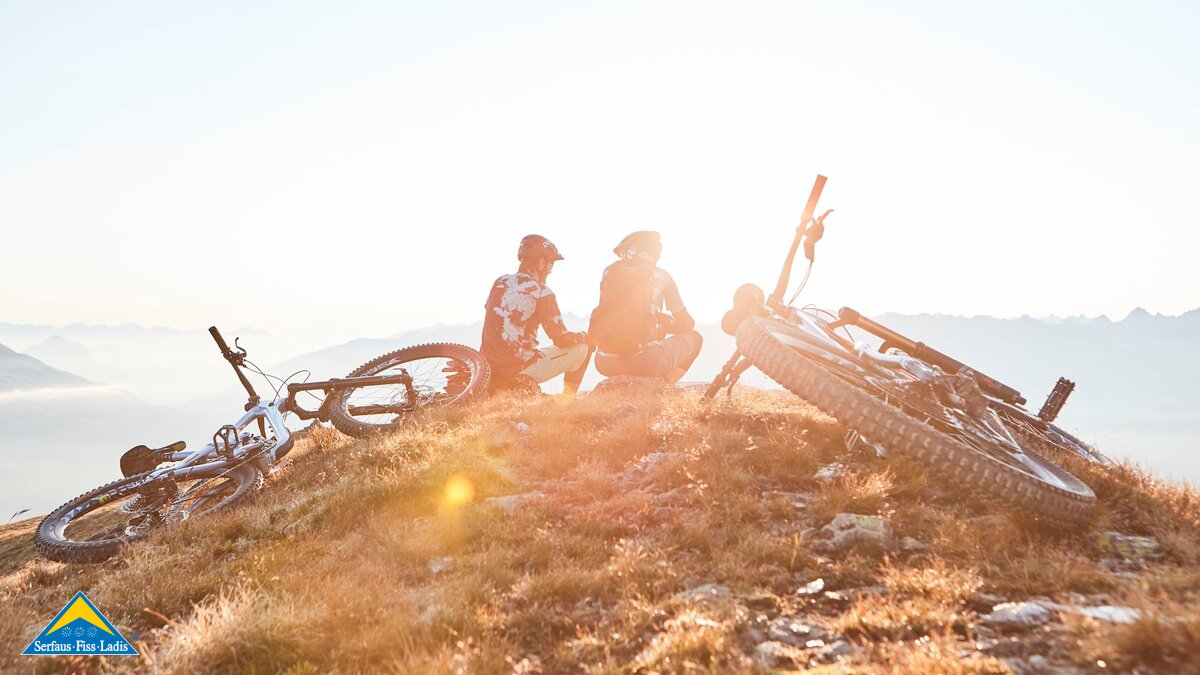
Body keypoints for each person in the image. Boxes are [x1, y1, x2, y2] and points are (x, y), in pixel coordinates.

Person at [480, 234, 593, 395]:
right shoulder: (541, 292)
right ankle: (568, 400)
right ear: (541, 262)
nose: (551, 270)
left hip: (488, 368)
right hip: (520, 368)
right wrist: (583, 336)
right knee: (585, 347)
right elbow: (561, 340)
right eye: (551, 263)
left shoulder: (500, 283)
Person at [588, 231, 702, 383]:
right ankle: (664, 386)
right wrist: (664, 324)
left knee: (652, 330)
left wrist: (656, 321)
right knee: (696, 337)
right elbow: (686, 323)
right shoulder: (662, 276)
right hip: (648, 361)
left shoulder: (608, 272)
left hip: (604, 362)